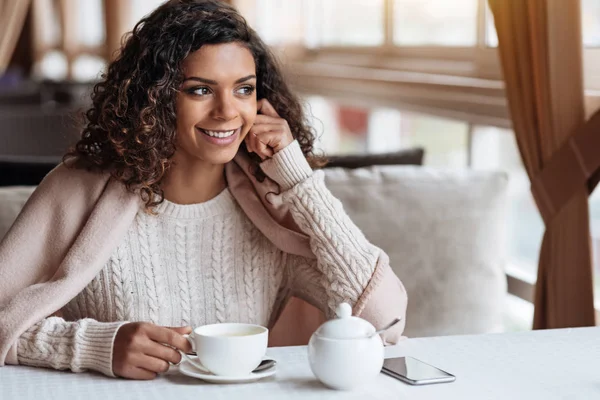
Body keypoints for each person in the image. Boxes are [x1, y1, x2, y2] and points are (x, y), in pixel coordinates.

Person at [0, 0, 407, 380]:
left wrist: (299, 179)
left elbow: (383, 321)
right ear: (155, 99)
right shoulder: (77, 188)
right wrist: (93, 346)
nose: (228, 111)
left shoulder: (273, 206)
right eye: (200, 89)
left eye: (244, 89)